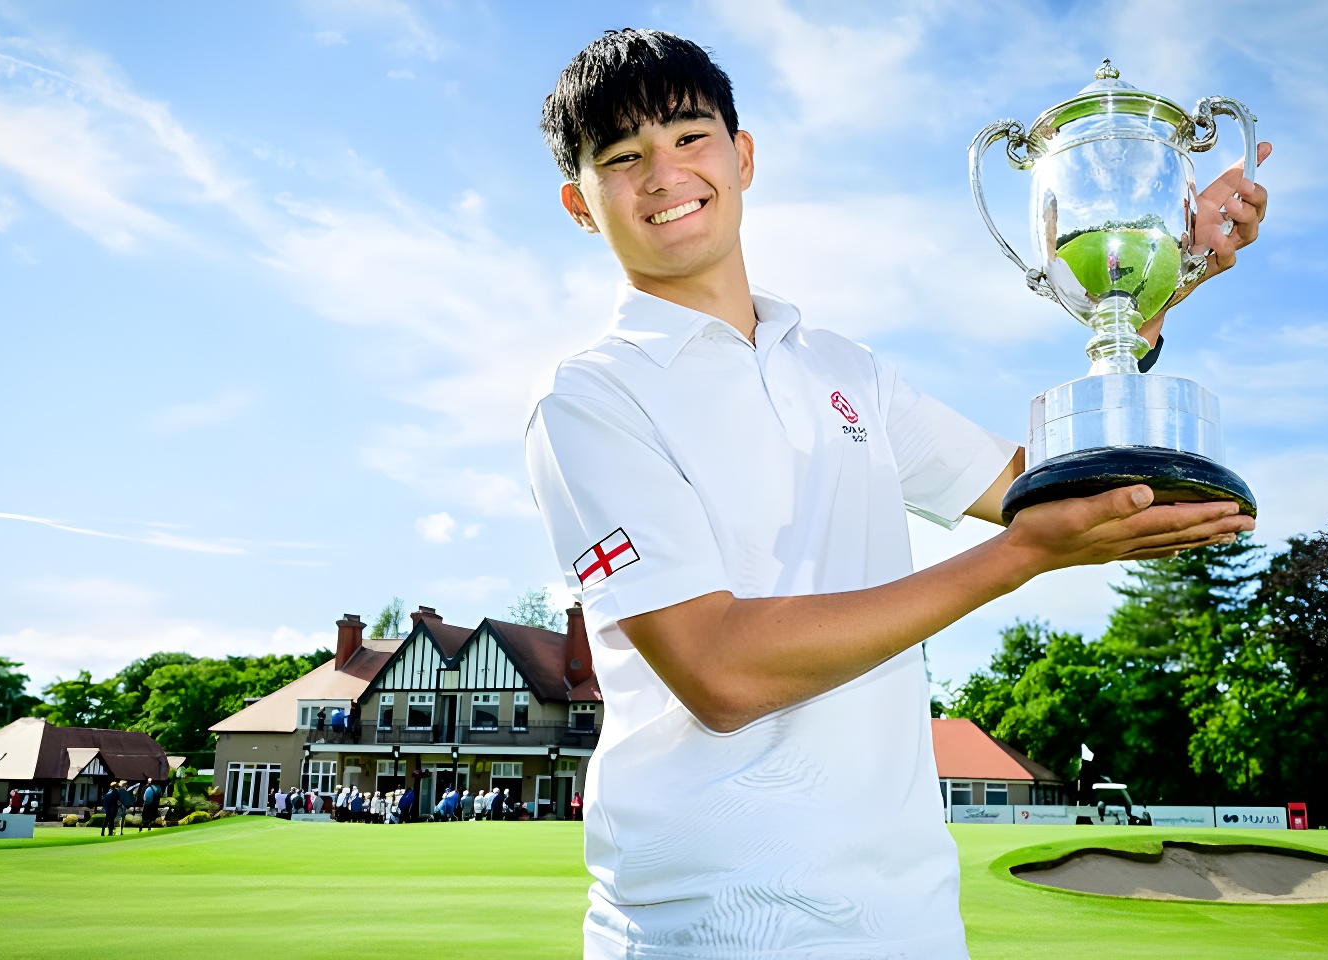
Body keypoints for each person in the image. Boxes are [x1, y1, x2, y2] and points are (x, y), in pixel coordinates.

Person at [526, 30, 1266, 959]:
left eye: (688, 137)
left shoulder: (845, 371)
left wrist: (1144, 294)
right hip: (708, 928)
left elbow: (1042, 489)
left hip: (908, 922)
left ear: (742, 156)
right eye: (621, 157)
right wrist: (1017, 561)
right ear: (580, 206)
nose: (664, 175)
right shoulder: (592, 397)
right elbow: (720, 673)